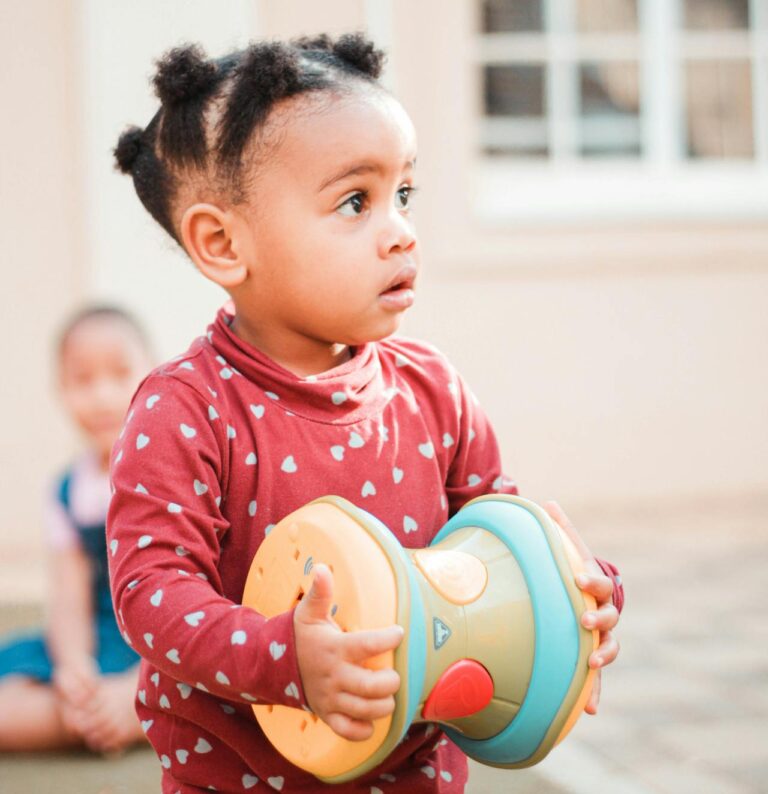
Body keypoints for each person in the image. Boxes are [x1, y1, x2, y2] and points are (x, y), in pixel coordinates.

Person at [108, 34, 624, 793]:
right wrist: (284, 656)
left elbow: (499, 547)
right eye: (356, 201)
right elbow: (151, 592)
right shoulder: (186, 409)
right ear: (222, 243)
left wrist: (582, 592)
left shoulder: (432, 390)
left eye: (403, 194)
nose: (401, 231)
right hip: (241, 777)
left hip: (413, 775)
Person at [0, 306, 153, 754]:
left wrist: (136, 682)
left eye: (120, 373)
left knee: (224, 680)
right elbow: (68, 599)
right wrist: (74, 669)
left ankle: (139, 706)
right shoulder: (69, 491)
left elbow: (204, 594)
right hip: (99, 638)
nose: (103, 395)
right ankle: (100, 714)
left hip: (168, 646)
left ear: (155, 375)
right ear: (60, 392)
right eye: (82, 380)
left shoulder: (174, 472)